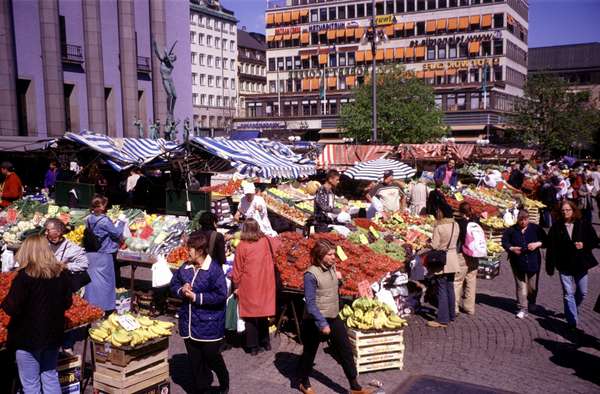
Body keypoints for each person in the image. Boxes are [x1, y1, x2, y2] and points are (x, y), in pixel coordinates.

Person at [1, 235, 73, 394]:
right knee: (50, 376)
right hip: (53, 335)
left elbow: (10, 307)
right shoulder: (60, 275)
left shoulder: (25, 278)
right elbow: (68, 303)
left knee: (30, 384)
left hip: (27, 339)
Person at [297, 240, 371, 394]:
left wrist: (340, 279)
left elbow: (333, 288)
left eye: (334, 253)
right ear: (320, 256)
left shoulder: (332, 268)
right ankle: (303, 382)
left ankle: (355, 386)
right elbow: (310, 303)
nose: (333, 257)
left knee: (345, 350)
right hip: (314, 320)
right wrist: (322, 323)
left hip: (333, 315)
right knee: (310, 353)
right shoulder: (310, 275)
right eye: (329, 254)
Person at [170, 232, 229, 394]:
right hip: (188, 323)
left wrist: (197, 297)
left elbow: (221, 295)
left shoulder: (213, 270)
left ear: (201, 250)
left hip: (209, 323)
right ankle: (202, 388)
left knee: (211, 357)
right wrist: (182, 290)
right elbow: (173, 284)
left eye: (191, 249)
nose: (187, 251)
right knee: (195, 360)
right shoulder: (185, 267)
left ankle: (224, 379)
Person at [546, 200, 599, 332]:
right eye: (563, 210)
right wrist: (550, 266)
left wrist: (584, 245)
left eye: (568, 210)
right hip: (564, 265)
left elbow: (594, 241)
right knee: (568, 294)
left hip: (580, 264)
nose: (565, 212)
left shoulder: (583, 224)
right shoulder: (556, 227)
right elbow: (551, 248)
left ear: (573, 210)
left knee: (582, 292)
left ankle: (571, 308)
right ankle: (572, 322)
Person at [232, 219, 278, 355]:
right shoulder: (266, 241)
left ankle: (253, 346)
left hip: (249, 284)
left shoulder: (242, 246)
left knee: (250, 316)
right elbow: (279, 247)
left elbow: (237, 268)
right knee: (263, 314)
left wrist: (236, 283)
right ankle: (265, 342)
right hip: (266, 282)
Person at [83, 195, 127, 312]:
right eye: (105, 204)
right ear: (101, 207)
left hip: (92, 252)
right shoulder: (104, 221)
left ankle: (92, 303)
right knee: (107, 281)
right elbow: (117, 233)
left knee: (94, 280)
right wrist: (121, 223)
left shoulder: (89, 219)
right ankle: (106, 306)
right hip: (105, 252)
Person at [502, 210, 546, 319]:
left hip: (533, 260)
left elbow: (546, 240)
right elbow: (504, 241)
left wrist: (537, 244)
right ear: (517, 220)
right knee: (521, 285)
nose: (523, 222)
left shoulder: (536, 229)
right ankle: (522, 308)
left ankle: (532, 301)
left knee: (532, 286)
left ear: (528, 219)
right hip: (517, 261)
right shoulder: (511, 230)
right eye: (521, 220)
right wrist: (511, 248)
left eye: (525, 220)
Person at [427, 203, 462, 328]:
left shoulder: (439, 227)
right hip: (453, 258)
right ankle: (451, 314)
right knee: (449, 287)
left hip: (442, 260)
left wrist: (428, 243)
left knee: (441, 288)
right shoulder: (455, 224)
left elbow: (435, 245)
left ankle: (442, 319)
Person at [44, 218, 89, 292]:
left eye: (48, 230)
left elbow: (84, 264)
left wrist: (66, 266)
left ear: (58, 232)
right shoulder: (42, 244)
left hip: (63, 288)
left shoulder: (73, 248)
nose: (45, 233)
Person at [454, 202, 479, 315]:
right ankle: (470, 308)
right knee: (471, 280)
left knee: (458, 281)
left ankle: (454, 307)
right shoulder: (475, 222)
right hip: (474, 255)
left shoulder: (459, 223)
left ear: (460, 211)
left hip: (462, 254)